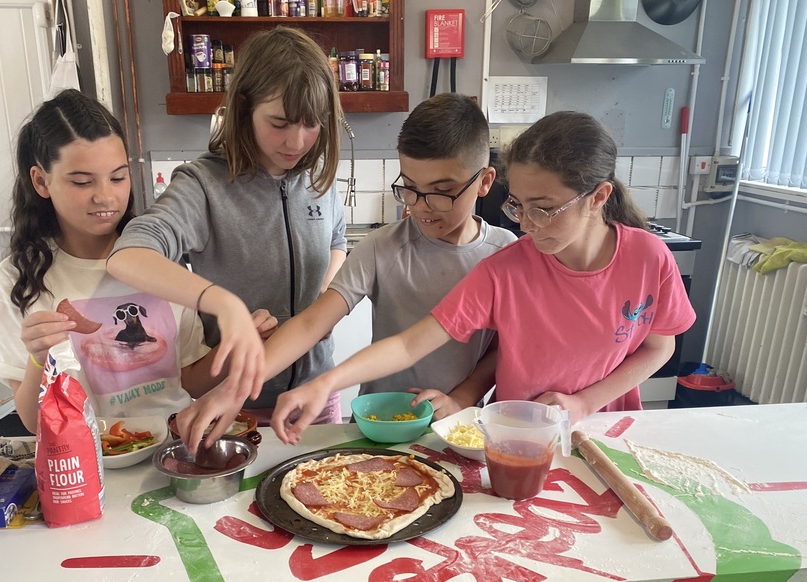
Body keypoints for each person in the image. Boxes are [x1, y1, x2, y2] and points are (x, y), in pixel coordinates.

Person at [270, 110, 697, 445]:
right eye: (518, 206)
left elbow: (660, 347)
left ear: (598, 198)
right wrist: (325, 384)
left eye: (543, 208)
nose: (527, 223)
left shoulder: (648, 256)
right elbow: (408, 343)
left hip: (609, 430)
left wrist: (583, 404)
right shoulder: (507, 268)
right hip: (516, 434)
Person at [175, 93, 518, 452]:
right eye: (410, 189)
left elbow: (501, 350)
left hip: (458, 430)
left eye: (442, 192)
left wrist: (462, 397)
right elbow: (312, 323)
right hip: (374, 427)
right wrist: (234, 389)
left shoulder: (505, 255)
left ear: (484, 181)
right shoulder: (382, 247)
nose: (422, 206)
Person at [0, 90, 271, 432]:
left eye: (118, 177)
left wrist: (237, 346)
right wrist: (37, 356)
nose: (105, 196)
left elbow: (186, 382)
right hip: (87, 460)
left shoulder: (160, 263)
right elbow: (32, 422)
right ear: (40, 181)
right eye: (81, 181)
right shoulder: (17, 279)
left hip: (172, 446)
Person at [107, 26, 347, 430]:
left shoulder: (317, 177)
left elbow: (337, 239)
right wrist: (224, 303)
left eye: (312, 124)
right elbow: (128, 256)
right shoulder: (203, 186)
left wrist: (326, 295)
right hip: (235, 403)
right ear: (243, 109)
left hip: (316, 394)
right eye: (280, 122)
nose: (298, 141)